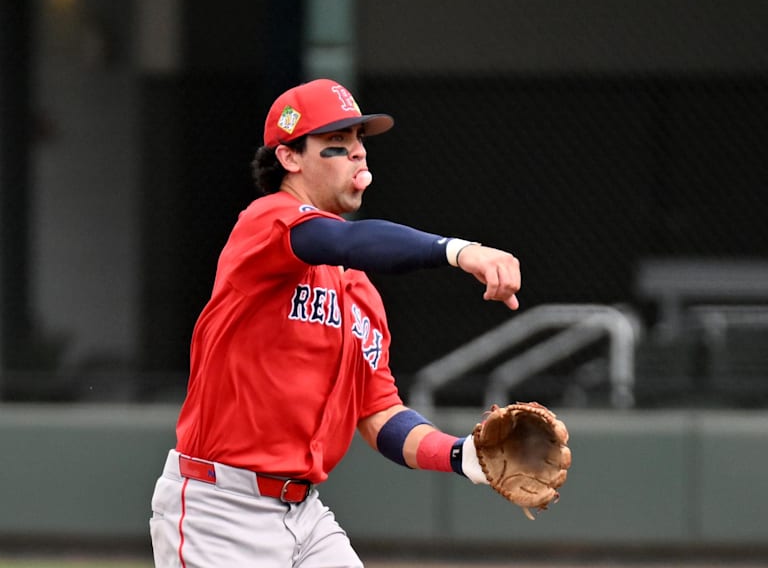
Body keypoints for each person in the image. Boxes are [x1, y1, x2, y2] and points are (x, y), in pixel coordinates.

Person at [148, 78, 521, 567]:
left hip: (304, 515)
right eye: (336, 146)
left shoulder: (360, 294)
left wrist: (459, 455)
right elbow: (344, 241)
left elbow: (381, 416)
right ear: (290, 158)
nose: (358, 157)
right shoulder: (266, 224)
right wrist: (459, 251)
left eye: (360, 144)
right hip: (219, 509)